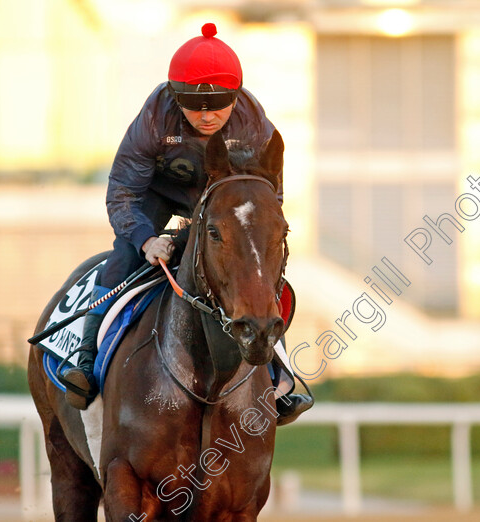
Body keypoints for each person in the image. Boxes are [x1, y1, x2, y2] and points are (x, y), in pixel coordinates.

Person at [59, 23, 312, 424]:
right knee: (123, 259)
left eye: (218, 105)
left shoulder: (255, 125)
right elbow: (121, 192)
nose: (207, 115)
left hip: (223, 202)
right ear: (175, 97)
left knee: (258, 276)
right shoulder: (155, 118)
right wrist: (145, 240)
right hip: (157, 195)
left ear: (236, 97)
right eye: (194, 105)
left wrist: (254, 239)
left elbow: (267, 201)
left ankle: (279, 378)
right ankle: (85, 362)